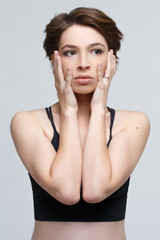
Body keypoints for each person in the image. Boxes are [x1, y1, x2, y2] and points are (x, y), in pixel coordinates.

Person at [10, 7, 150, 240]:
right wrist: (69, 111)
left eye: (95, 51)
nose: (84, 63)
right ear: (54, 58)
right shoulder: (28, 122)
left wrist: (97, 109)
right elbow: (67, 191)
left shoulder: (133, 123)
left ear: (110, 58)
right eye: (70, 52)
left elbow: (95, 190)